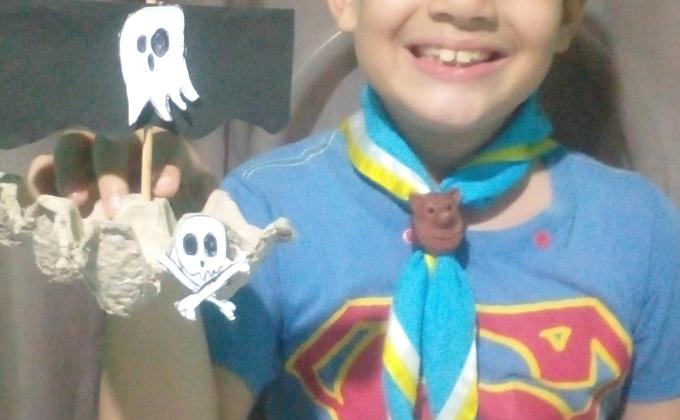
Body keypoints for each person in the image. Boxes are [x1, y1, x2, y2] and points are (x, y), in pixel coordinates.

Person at [26, 0, 680, 419]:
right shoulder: (257, 217)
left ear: (568, 14)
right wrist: (146, 261)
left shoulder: (639, 230)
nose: (463, 8)